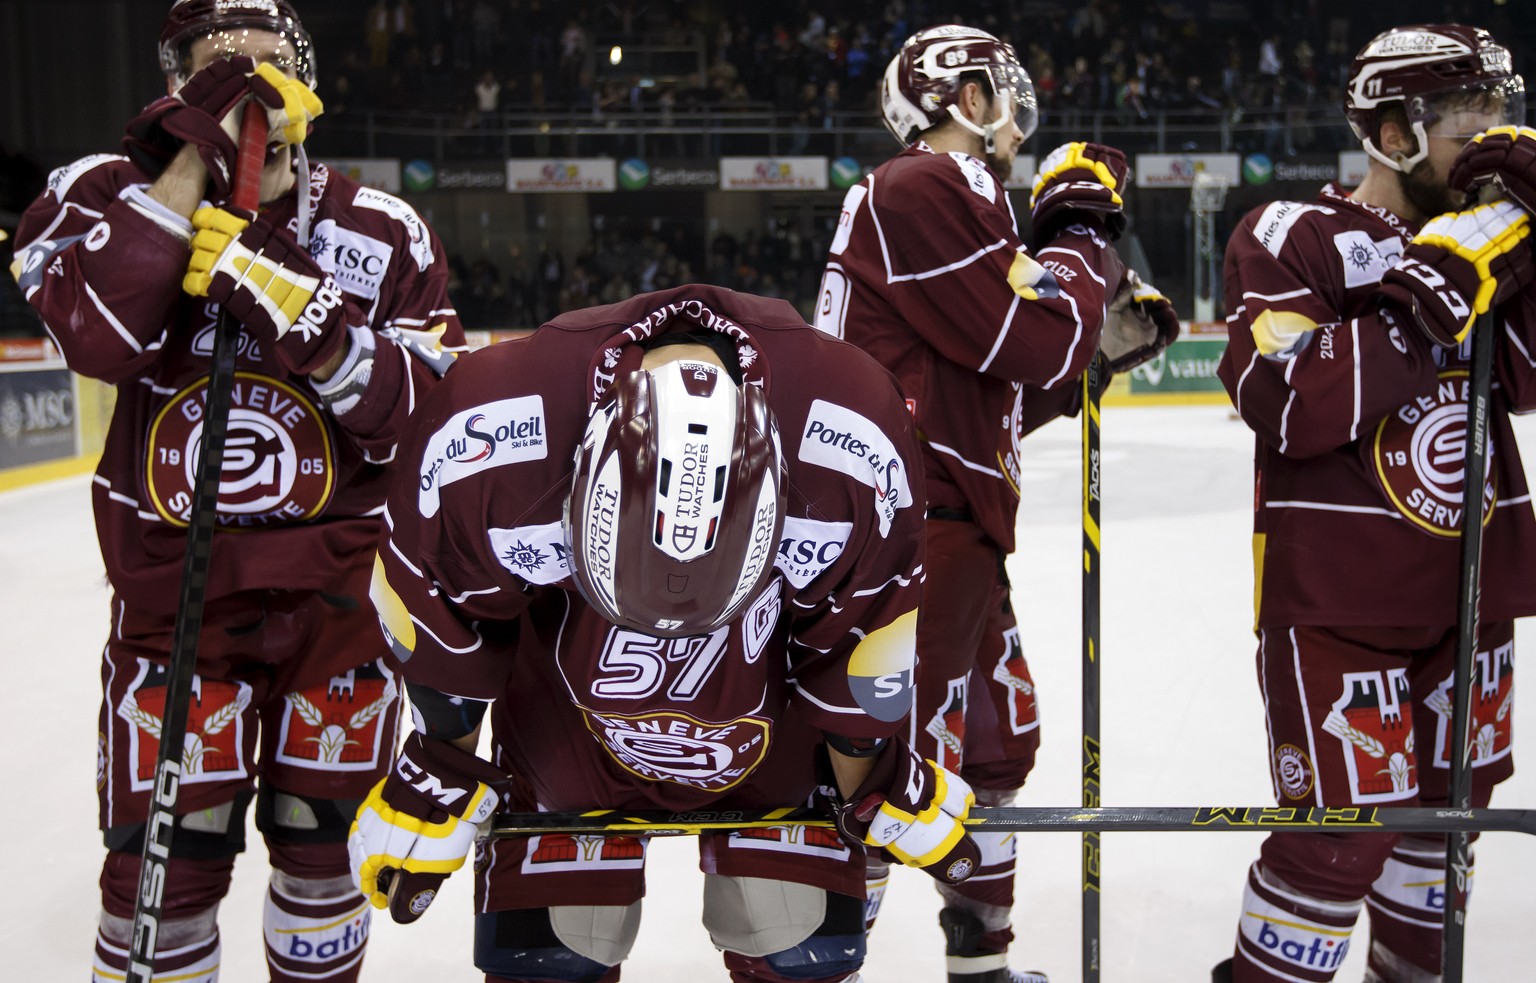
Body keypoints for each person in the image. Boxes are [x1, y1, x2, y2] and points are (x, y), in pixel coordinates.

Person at [8, 1, 464, 979]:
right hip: (175, 603)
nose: (250, 88)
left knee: (322, 857)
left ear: (311, 85)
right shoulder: (97, 192)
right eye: (220, 70)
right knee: (161, 877)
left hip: (338, 604)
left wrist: (317, 321)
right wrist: (188, 172)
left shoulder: (384, 229)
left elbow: (427, 417)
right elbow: (97, 340)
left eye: (271, 66)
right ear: (174, 88)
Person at [351, 282, 985, 982]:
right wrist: (444, 763)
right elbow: (446, 611)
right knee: (546, 956)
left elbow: (857, 634)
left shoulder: (851, 439)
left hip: (770, 700)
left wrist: (871, 779)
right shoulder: (487, 430)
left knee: (800, 944)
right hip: (567, 714)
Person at [812, 24, 1177, 983]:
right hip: (906, 537)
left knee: (992, 752)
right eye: (995, 86)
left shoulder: (958, 203)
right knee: (887, 775)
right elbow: (1035, 338)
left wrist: (1089, 345)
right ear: (962, 100)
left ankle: (981, 965)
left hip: (951, 523)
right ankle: (816, 963)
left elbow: (1000, 389)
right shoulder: (922, 185)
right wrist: (1086, 234)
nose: (1014, 102)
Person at [1213, 23, 1536, 983]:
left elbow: (1521, 375)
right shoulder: (1290, 234)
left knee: (1444, 835)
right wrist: (1431, 288)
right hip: (1337, 603)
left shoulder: (1494, 236)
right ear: (1395, 131)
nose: (1492, 136)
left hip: (1469, 597)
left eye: (1501, 113)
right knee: (1338, 843)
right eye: (1469, 116)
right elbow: (1285, 399)